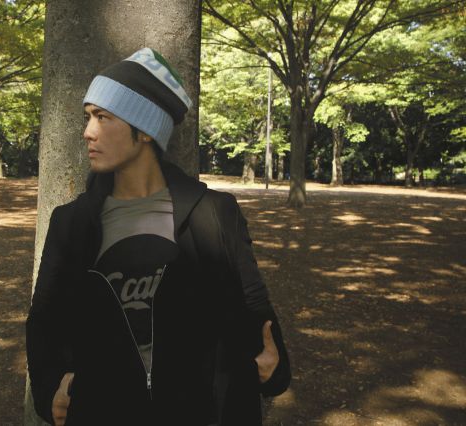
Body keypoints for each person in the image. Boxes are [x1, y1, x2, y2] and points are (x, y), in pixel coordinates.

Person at [26, 48, 290, 426]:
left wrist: (270, 366)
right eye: (88, 117)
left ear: (145, 129)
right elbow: (44, 321)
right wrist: (49, 389)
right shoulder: (72, 222)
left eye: (103, 117)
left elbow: (252, 303)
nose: (88, 132)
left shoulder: (213, 212)